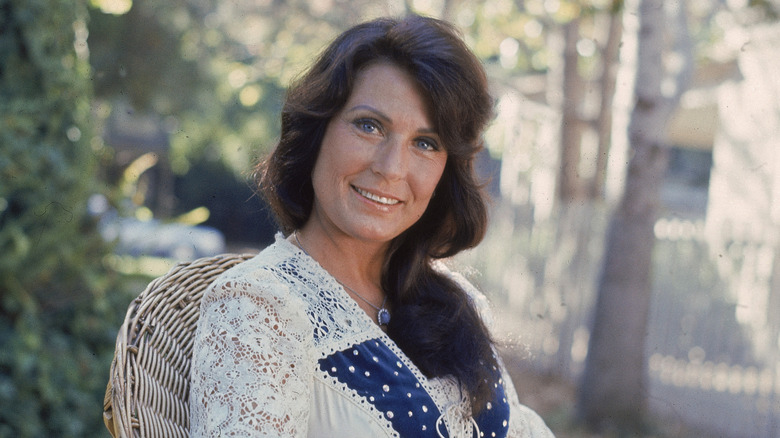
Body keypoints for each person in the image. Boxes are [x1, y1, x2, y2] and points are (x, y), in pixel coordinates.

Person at [189, 15, 554, 438]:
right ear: (316, 130)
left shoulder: (453, 305)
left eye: (425, 143)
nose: (391, 168)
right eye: (369, 126)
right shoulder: (259, 308)